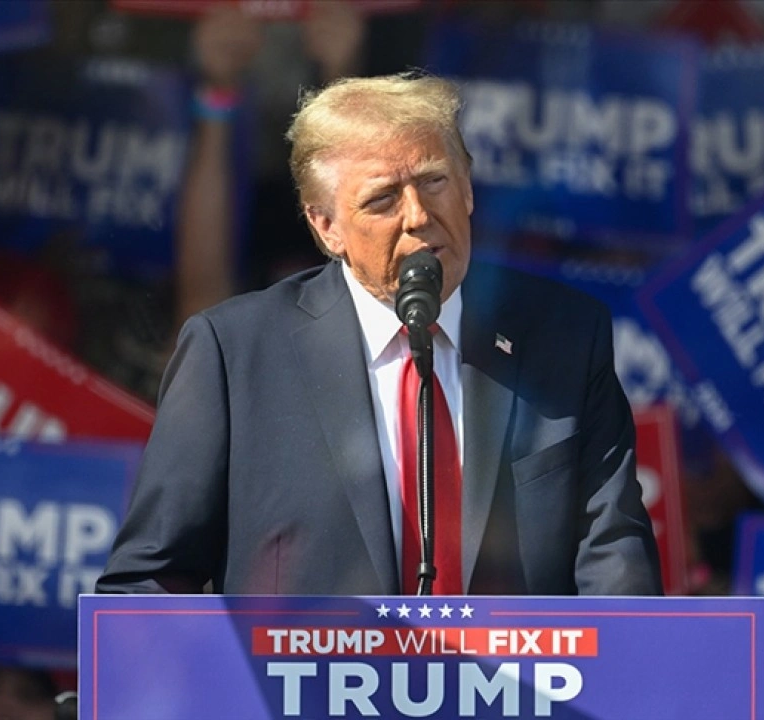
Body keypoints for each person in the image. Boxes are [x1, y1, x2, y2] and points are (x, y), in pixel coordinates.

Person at [97, 72, 661, 596]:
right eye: (383, 199)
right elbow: (148, 583)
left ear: (467, 188)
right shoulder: (235, 354)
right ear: (327, 226)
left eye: (434, 181)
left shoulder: (565, 334)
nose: (418, 215)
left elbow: (614, 556)